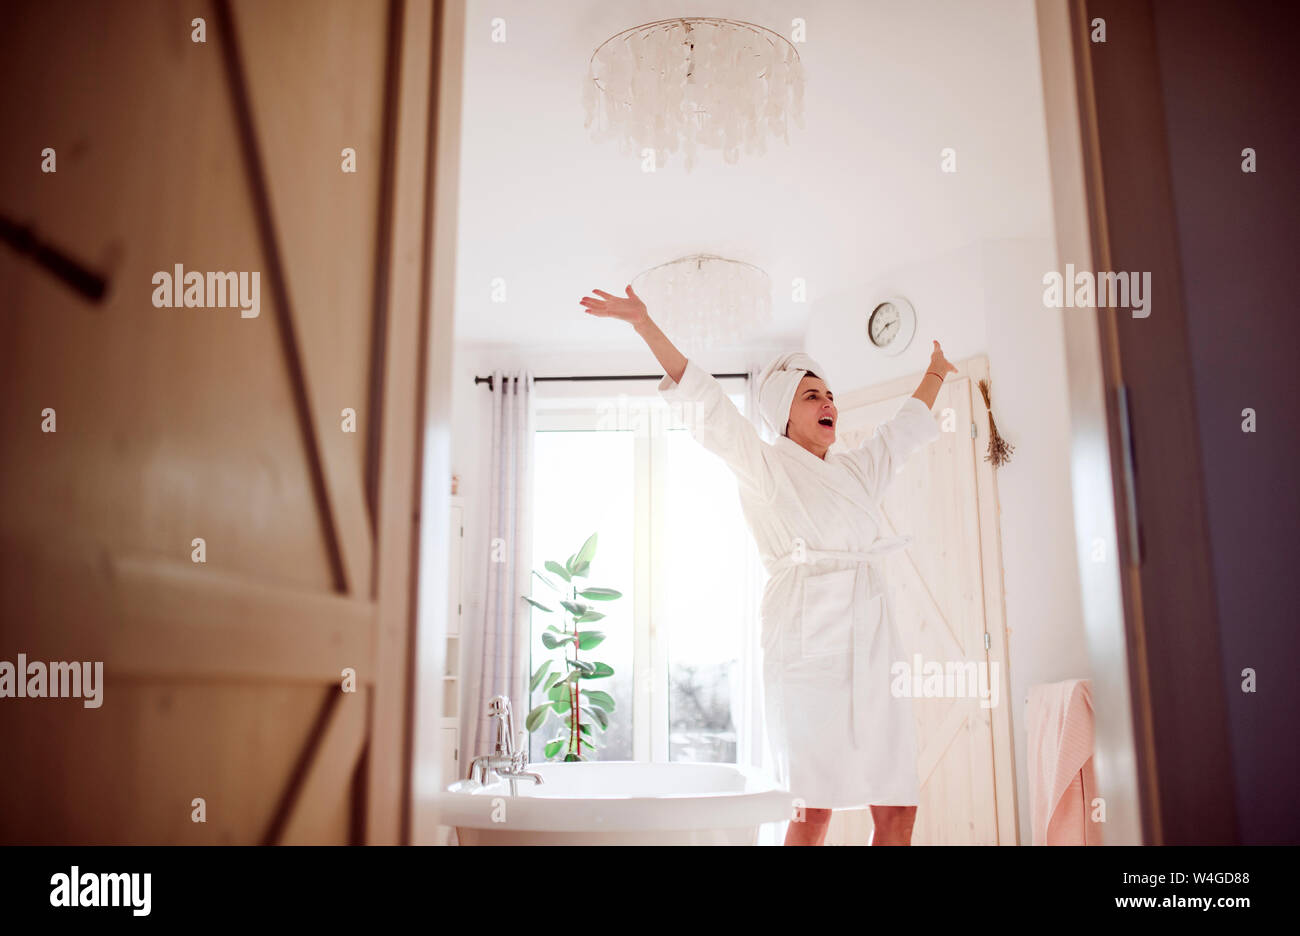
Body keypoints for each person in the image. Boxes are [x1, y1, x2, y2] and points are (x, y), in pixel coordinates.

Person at [579, 284, 956, 845]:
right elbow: (708, 406)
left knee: (899, 806)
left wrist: (938, 373)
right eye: (811, 397)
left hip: (874, 646)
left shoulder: (856, 471)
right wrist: (644, 324)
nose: (829, 402)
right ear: (783, 414)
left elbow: (902, 432)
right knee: (813, 811)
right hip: (806, 653)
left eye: (829, 394)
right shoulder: (764, 467)